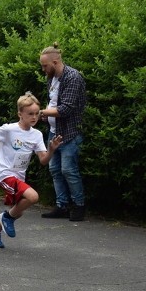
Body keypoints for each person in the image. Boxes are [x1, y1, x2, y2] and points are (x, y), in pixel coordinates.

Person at [0, 92, 62, 248]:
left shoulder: (37, 135)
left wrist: (52, 150)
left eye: (37, 114)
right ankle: (6, 217)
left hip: (19, 177)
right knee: (33, 197)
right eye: (30, 114)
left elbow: (43, 160)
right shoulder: (9, 129)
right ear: (20, 113)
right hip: (5, 175)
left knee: (18, 211)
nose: (34, 117)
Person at [38, 42, 87, 221]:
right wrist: (44, 116)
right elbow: (52, 103)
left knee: (69, 170)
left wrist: (39, 112)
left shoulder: (73, 77)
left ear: (56, 62)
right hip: (53, 130)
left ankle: (79, 206)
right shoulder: (51, 78)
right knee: (55, 169)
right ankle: (62, 206)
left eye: (45, 65)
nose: (43, 69)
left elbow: (65, 109)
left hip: (70, 132)